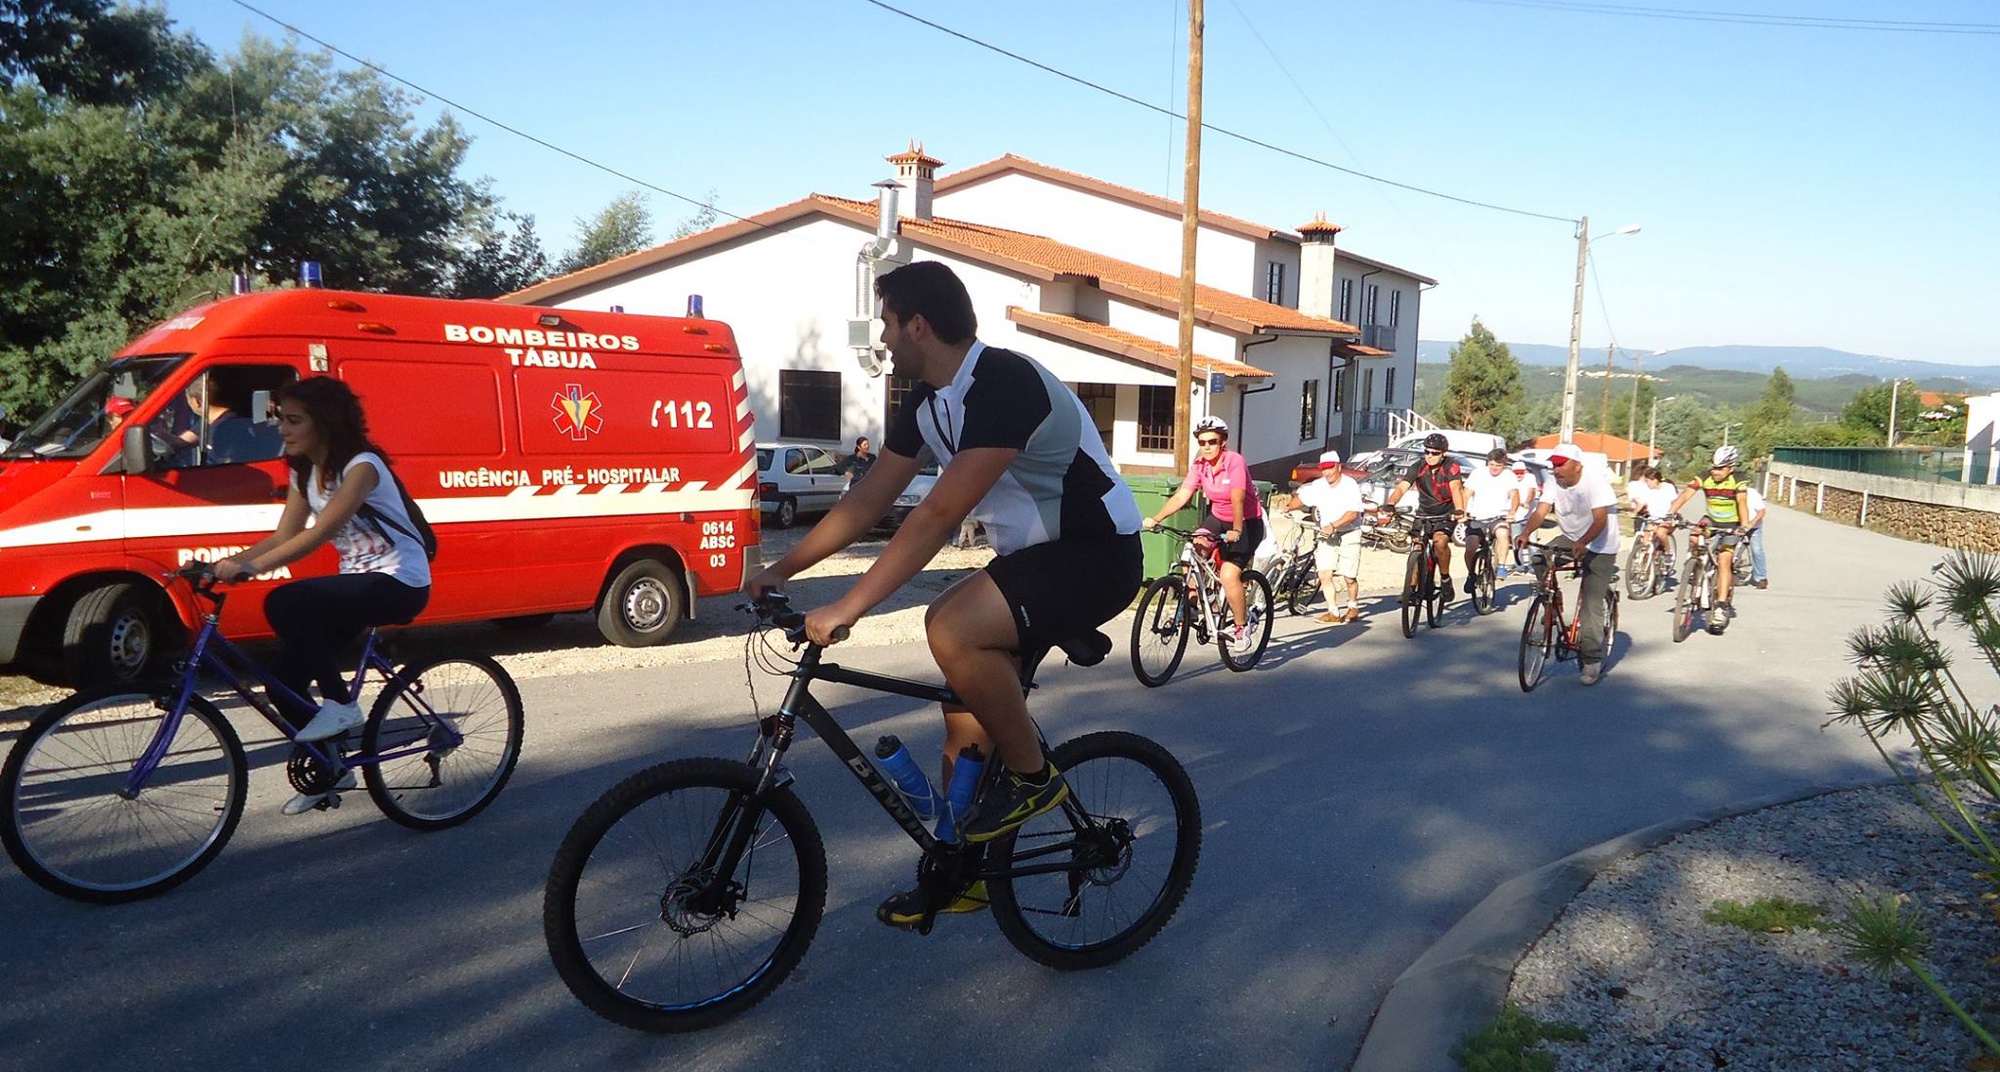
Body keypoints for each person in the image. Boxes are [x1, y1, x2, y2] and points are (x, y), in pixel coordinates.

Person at [745, 261, 1142, 926]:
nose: (884, 336)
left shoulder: (1002, 382)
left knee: (951, 626)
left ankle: (1035, 780)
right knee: (962, 720)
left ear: (918, 325)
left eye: (888, 323)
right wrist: (784, 570)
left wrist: (849, 607)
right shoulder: (928, 402)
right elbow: (871, 497)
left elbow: (933, 518)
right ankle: (970, 875)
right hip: (1037, 559)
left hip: (1096, 554)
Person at [213, 377, 431, 814]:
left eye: (294, 420)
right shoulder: (305, 471)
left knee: (285, 601)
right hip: (358, 582)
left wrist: (253, 569)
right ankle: (332, 767)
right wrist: (225, 563)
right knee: (284, 680)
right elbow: (285, 535)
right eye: (281, 419)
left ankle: (342, 706)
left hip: (400, 580)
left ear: (326, 423)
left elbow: (321, 533)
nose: (283, 429)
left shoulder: (362, 466)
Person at [1143, 414, 1267, 647]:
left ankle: (1241, 628)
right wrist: (1156, 518)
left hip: (1247, 522)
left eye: (1212, 441)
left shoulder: (1234, 461)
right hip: (1218, 518)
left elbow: (1237, 497)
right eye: (1202, 442)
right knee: (1190, 553)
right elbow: (1182, 494)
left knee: (1228, 575)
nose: (1207, 447)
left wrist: (1237, 529)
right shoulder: (1200, 466)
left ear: (1223, 442)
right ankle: (1200, 606)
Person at [1513, 443, 1619, 685]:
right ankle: (1552, 599)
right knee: (1540, 557)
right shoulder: (1553, 482)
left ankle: (1591, 659)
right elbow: (1540, 512)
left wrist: (1584, 542)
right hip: (1571, 537)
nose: (1556, 468)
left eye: (1561, 464)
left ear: (1577, 465)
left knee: (1590, 605)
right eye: (1554, 464)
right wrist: (1526, 532)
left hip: (1601, 544)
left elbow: (1601, 519)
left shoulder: (1595, 483)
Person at [1669, 445, 1753, 625]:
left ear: (1731, 468)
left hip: (1732, 524)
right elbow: (1685, 495)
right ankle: (1694, 567)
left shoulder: (1738, 480)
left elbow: (1742, 503)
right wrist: (1671, 512)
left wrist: (1744, 526)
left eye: (1721, 468)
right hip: (1712, 520)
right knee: (1694, 533)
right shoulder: (1705, 477)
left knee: (1724, 561)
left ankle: (1721, 606)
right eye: (1714, 467)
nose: (1715, 472)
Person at [1280, 450, 1366, 624]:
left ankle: (1352, 606)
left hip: (1348, 533)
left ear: (1338, 467)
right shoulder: (1319, 485)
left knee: (1349, 577)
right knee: (1324, 574)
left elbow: (1353, 513)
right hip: (1326, 535)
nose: (1327, 473)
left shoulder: (1349, 485)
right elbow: (1302, 499)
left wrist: (1334, 525)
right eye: (1324, 469)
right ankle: (1333, 611)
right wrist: (1288, 506)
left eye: (1330, 468)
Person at [1381, 432, 1467, 600]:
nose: (1430, 456)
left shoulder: (1451, 466)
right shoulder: (1418, 466)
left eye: (1434, 453)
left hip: (1446, 513)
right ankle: (1411, 589)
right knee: (1417, 547)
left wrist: (1459, 510)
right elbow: (1401, 487)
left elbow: (1456, 489)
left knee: (1439, 542)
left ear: (1443, 454)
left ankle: (1445, 578)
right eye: (1426, 452)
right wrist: (1391, 504)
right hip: (1424, 512)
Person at [1461, 448, 1521, 584]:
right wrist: (1463, 512)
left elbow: (1515, 496)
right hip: (1477, 517)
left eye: (1498, 466)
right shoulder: (1477, 474)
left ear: (1504, 465)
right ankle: (1471, 574)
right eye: (1491, 464)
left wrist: (1512, 512)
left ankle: (1501, 566)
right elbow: (1466, 494)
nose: (1494, 468)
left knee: (1502, 534)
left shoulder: (1509, 476)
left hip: (1498, 516)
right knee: (1470, 546)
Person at [1627, 466, 1680, 569]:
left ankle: (1668, 553)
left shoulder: (1668, 488)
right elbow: (1641, 503)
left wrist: (1674, 516)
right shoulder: (1647, 490)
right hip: (1654, 518)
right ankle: (1645, 562)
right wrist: (1634, 513)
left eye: (1647, 481)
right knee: (1646, 538)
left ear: (1654, 480)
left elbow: (1675, 503)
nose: (1646, 483)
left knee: (1660, 532)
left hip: (1667, 518)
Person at [1744, 482, 1769, 590]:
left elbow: (1762, 511)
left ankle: (1761, 577)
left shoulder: (1752, 494)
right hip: (1736, 526)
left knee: (1756, 549)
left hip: (1753, 527)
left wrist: (1751, 523)